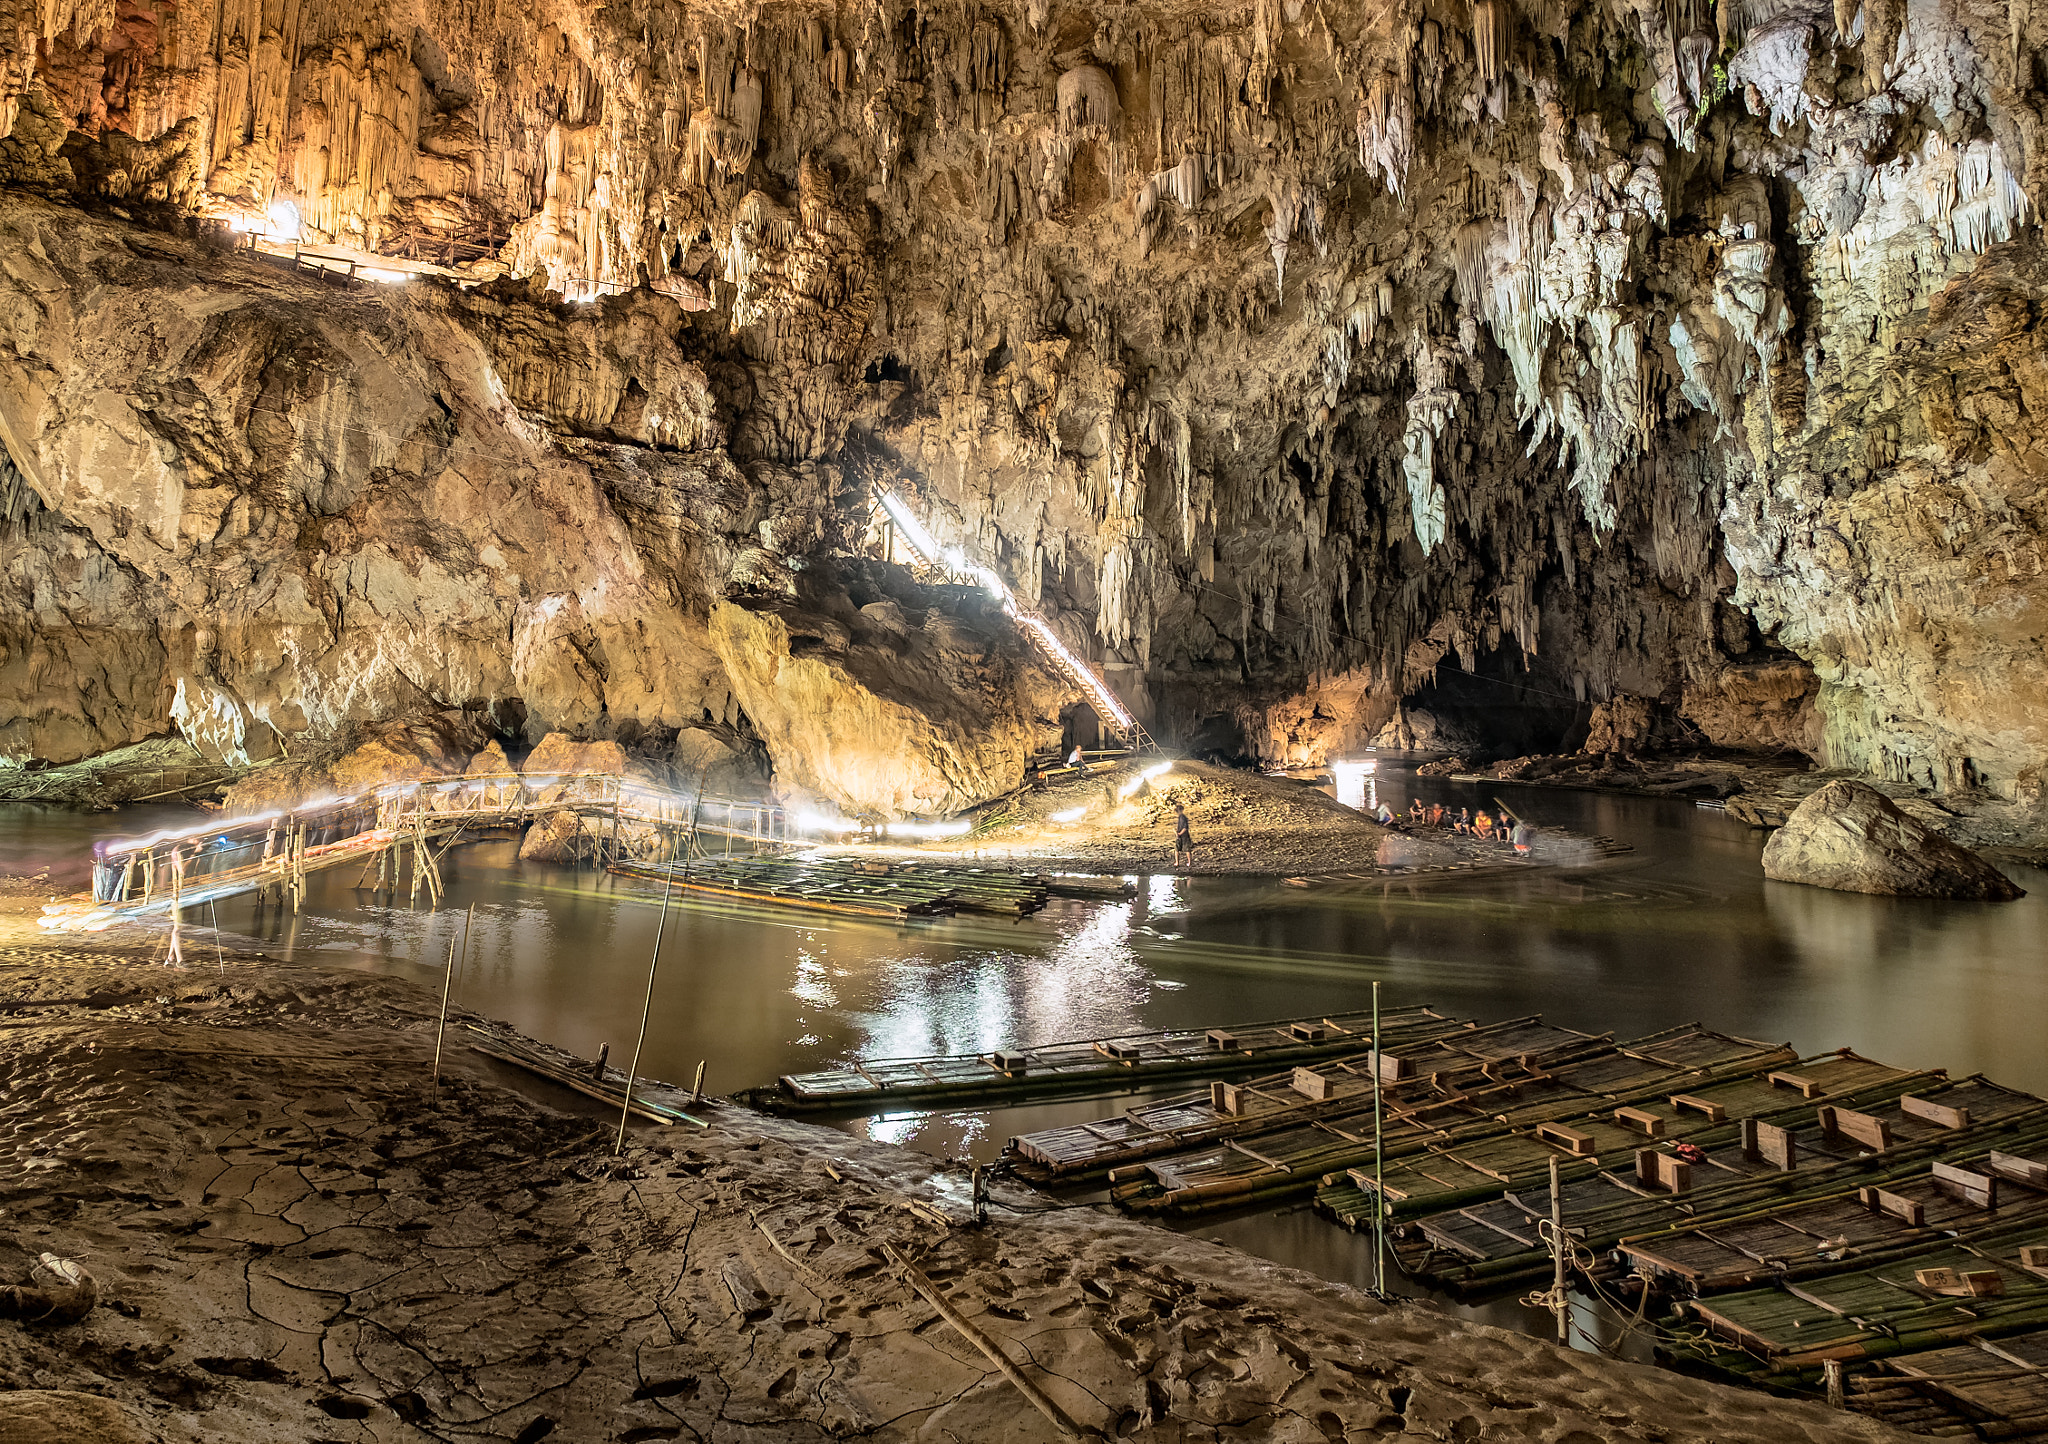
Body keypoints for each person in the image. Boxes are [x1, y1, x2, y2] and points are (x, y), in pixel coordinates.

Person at [1173, 801, 1195, 867]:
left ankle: (1180, 863)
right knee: (1179, 849)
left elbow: (1185, 828)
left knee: (1185, 849)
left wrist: (1179, 833)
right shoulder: (1181, 817)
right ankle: (1184, 862)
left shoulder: (1182, 817)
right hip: (1181, 835)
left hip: (1183, 836)